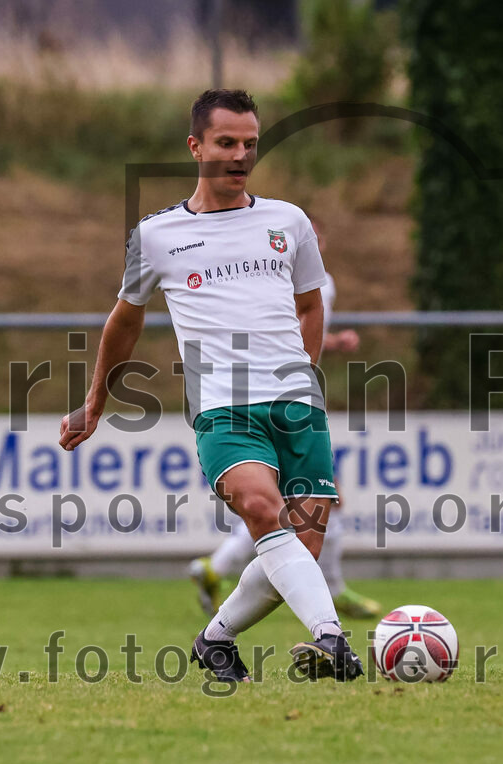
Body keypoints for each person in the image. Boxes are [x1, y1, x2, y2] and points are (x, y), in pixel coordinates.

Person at [59, 89, 364, 682]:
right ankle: (331, 639)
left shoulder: (289, 222)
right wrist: (95, 402)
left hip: (298, 404)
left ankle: (215, 640)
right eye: (227, 142)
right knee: (259, 507)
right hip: (224, 408)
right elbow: (125, 319)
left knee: (299, 549)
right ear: (196, 146)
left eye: (250, 143)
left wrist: (303, 375)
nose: (240, 154)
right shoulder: (157, 235)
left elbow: (309, 305)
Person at [189, 217, 381, 621]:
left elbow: (292, 324)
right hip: (271, 400)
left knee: (288, 508)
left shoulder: (315, 280)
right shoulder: (264, 274)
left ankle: (218, 571)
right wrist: (330, 345)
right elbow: (280, 330)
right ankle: (330, 594)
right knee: (306, 505)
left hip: (289, 398)